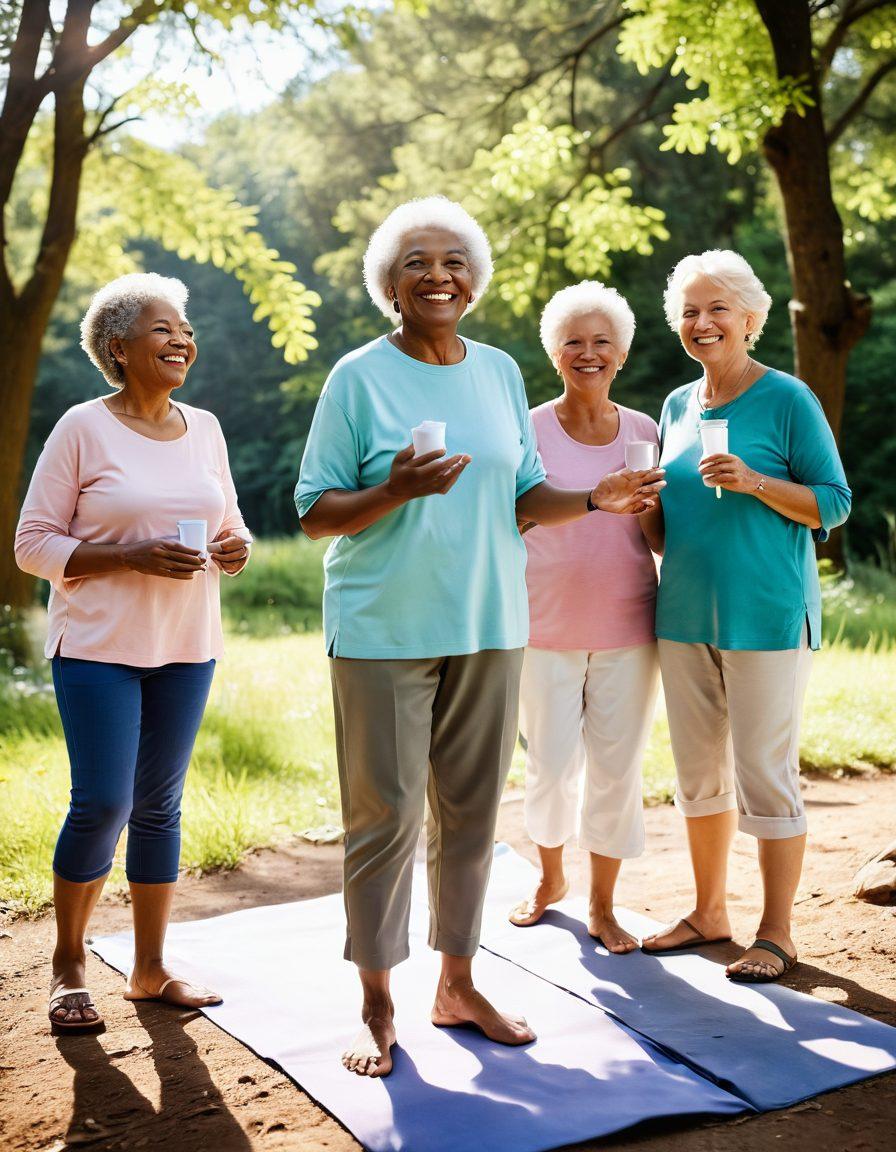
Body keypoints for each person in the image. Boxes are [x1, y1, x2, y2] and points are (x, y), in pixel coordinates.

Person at [295, 196, 664, 1077]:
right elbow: (312, 512)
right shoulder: (357, 377)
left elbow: (524, 494)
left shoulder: (499, 372)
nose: (438, 274)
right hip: (384, 628)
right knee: (384, 817)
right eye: (417, 261)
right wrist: (393, 490)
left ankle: (456, 982)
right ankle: (378, 1002)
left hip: (492, 624)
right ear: (390, 283)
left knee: (469, 815)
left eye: (455, 260)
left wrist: (593, 500)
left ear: (475, 280)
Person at [15, 272, 252, 1032]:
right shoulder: (83, 427)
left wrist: (234, 546)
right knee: (105, 802)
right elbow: (31, 546)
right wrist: (129, 556)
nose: (182, 338)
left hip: (186, 642)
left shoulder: (207, 426)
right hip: (97, 645)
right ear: (117, 349)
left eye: (185, 328)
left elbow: (228, 520)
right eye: (163, 328)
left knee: (159, 807)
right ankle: (69, 962)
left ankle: (150, 970)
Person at [639, 250, 851, 982]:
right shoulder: (674, 407)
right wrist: (645, 514)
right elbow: (669, 530)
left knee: (764, 770)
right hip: (685, 612)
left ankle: (778, 931)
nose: (702, 323)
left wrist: (758, 481)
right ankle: (708, 914)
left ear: (752, 319)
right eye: (690, 312)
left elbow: (835, 501)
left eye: (717, 308)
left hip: (766, 613)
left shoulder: (788, 399)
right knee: (698, 775)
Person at [508, 282, 660, 952]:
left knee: (617, 769)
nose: (588, 353)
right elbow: (509, 517)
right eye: (574, 341)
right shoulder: (529, 428)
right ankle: (550, 881)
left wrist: (645, 506)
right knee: (549, 765)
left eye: (602, 342)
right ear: (555, 352)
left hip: (629, 625)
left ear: (622, 354)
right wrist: (590, 501)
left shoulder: (644, 432)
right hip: (543, 626)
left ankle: (603, 904)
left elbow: (656, 540)